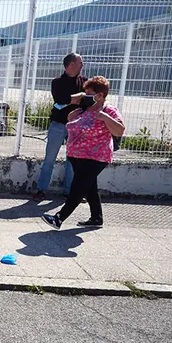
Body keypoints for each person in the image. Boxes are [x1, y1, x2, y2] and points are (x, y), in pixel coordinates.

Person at [41, 76, 124, 230]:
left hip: (96, 157)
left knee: (78, 187)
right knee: (89, 187)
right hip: (79, 156)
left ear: (100, 95)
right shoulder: (85, 109)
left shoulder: (108, 110)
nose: (86, 97)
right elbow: (75, 127)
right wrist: (71, 118)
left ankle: (59, 218)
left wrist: (105, 118)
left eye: (89, 94)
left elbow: (119, 130)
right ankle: (96, 218)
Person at [33, 53, 87, 202]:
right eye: (80, 63)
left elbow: (85, 100)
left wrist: (72, 99)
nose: (82, 66)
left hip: (76, 126)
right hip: (58, 124)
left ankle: (70, 192)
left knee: (73, 161)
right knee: (49, 159)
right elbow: (60, 100)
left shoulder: (84, 81)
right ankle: (41, 190)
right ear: (71, 64)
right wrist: (78, 96)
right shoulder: (57, 82)